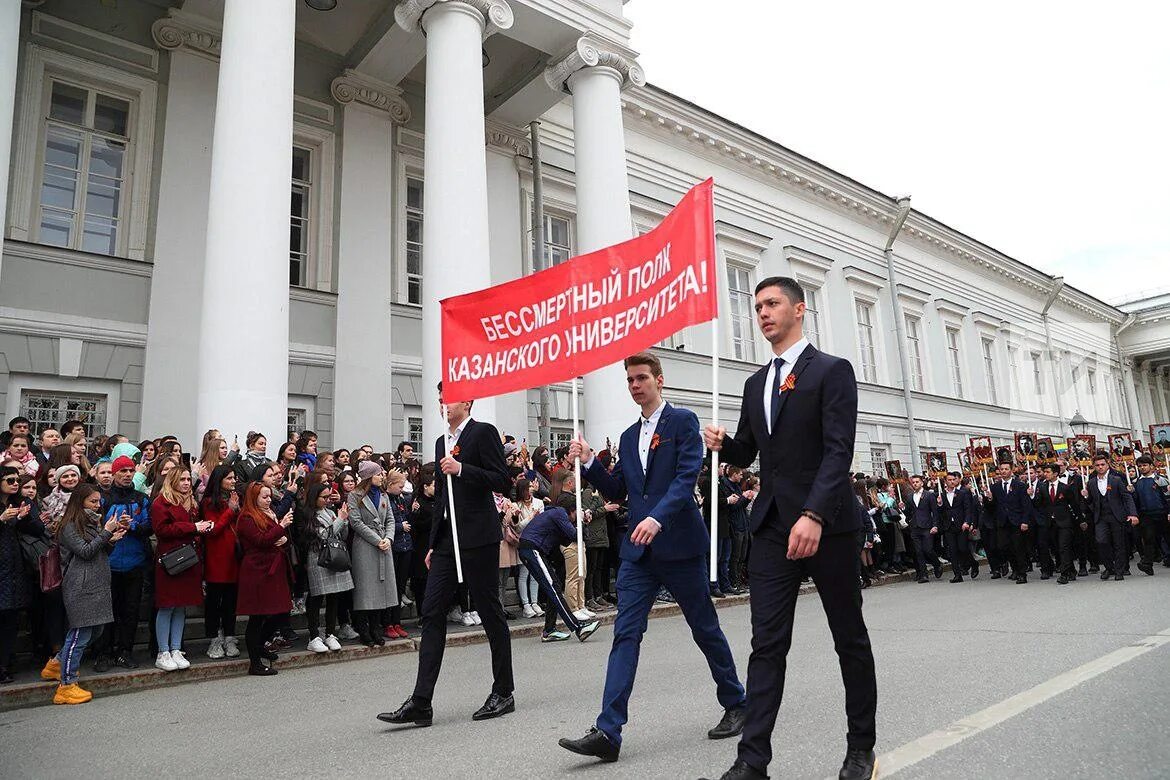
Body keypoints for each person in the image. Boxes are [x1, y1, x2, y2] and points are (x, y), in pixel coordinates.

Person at [702, 276, 876, 780]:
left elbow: (838, 450)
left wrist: (815, 514)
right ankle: (751, 761)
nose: (762, 313)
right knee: (767, 645)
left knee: (850, 638)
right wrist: (724, 447)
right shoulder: (756, 383)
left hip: (828, 525)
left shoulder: (831, 371)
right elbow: (751, 450)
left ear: (799, 310)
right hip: (774, 527)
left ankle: (860, 746)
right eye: (756, 306)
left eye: (772, 303)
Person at [561, 352, 746, 764]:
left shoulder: (682, 422)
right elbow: (618, 491)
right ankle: (608, 731)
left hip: (679, 546)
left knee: (704, 627)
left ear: (659, 380)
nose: (635, 385)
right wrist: (589, 461)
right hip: (638, 554)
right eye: (629, 380)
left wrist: (657, 519)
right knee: (625, 634)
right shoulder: (628, 437)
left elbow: (684, 481)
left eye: (641, 378)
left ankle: (736, 701)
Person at [378, 383, 514, 728]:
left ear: (467, 401)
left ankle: (504, 691)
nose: (442, 402)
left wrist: (462, 469)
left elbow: (502, 480)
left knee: (490, 611)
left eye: (448, 397)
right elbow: (441, 498)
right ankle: (421, 701)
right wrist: (434, 544)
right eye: (440, 397)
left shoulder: (483, 433)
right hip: (445, 544)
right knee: (432, 611)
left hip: (478, 538)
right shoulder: (440, 440)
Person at [51, 484, 127, 704]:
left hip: (97, 584)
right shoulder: (69, 525)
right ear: (80, 502)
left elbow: (100, 550)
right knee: (80, 635)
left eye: (98, 501)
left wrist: (111, 538)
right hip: (80, 586)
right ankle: (66, 685)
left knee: (96, 631)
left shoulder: (92, 521)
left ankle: (57, 663)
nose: (98, 505)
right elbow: (85, 552)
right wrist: (106, 533)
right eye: (93, 501)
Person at [93, 456, 152, 671]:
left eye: (130, 470)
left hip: (135, 563)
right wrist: (113, 527)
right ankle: (103, 653)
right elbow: (94, 527)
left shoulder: (141, 498)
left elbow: (150, 527)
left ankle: (124, 651)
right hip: (108, 563)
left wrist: (132, 525)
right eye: (123, 471)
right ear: (114, 473)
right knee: (106, 611)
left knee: (131, 611)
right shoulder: (103, 498)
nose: (127, 474)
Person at [152, 466, 212, 671]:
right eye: (182, 479)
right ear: (173, 481)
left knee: (181, 606)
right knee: (167, 605)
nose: (187, 483)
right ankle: (163, 651)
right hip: (170, 560)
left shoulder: (192, 502)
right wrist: (194, 528)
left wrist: (200, 527)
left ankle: (176, 648)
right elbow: (162, 530)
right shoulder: (161, 503)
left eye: (188, 479)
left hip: (189, 559)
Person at [517, 506, 600, 642]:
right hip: (532, 549)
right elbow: (574, 535)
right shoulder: (559, 512)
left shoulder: (558, 519)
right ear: (571, 510)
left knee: (553, 587)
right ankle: (578, 627)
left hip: (534, 550)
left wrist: (583, 523)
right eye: (577, 512)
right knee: (553, 587)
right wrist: (580, 521)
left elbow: (577, 538)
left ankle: (549, 630)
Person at [236, 482, 294, 675]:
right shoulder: (246, 517)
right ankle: (255, 662)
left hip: (274, 567)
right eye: (264, 497)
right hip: (257, 570)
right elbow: (261, 540)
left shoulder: (269, 513)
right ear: (254, 498)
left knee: (280, 611)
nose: (269, 500)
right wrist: (281, 526)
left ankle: (260, 646)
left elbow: (274, 538)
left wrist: (282, 537)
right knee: (257, 617)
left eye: (270, 496)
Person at [348, 460, 397, 647]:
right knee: (365, 588)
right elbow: (356, 522)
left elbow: (390, 519)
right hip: (365, 545)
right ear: (369, 476)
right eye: (378, 474)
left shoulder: (383, 494)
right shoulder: (355, 495)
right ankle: (363, 629)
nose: (382, 476)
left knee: (381, 587)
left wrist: (389, 539)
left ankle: (377, 627)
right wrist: (377, 540)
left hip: (384, 543)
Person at [0, 466, 43, 683]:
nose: (15, 484)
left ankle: (5, 664)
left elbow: (38, 530)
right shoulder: (4, 508)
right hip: (3, 569)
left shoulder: (19, 503)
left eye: (17, 480)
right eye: (9, 480)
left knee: (11, 619)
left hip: (16, 569)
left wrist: (24, 517)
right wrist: (2, 519)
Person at [304, 482, 352, 652]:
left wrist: (343, 521)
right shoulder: (310, 515)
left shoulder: (330, 512)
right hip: (319, 558)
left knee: (334, 597)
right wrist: (340, 520)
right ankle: (314, 635)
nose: (326, 500)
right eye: (323, 497)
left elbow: (341, 535)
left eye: (328, 497)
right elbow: (324, 535)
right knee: (317, 597)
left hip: (335, 557)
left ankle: (330, 632)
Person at [200, 465, 241, 659]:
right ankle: (214, 639)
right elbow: (213, 529)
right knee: (214, 602)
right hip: (216, 558)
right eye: (229, 478)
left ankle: (230, 636)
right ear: (219, 480)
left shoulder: (235, 499)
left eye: (234, 478)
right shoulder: (209, 502)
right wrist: (230, 510)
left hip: (234, 556)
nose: (233, 481)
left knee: (231, 602)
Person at [1082, 454, 1137, 579]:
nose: (1100, 467)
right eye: (1097, 465)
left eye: (1103, 464)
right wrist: (1086, 496)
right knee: (1101, 542)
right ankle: (1109, 567)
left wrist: (1132, 514)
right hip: (1100, 518)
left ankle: (1119, 570)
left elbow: (1126, 497)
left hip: (1116, 516)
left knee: (1119, 544)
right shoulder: (1091, 482)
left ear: (1107, 465)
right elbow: (1090, 502)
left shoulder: (1116, 480)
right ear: (1094, 467)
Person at [1032, 463, 1085, 584]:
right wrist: (1032, 495)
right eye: (1044, 472)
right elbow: (1037, 504)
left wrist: (1081, 520)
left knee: (1064, 547)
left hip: (1064, 522)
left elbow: (1074, 505)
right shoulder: (1042, 487)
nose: (1045, 474)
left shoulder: (1065, 488)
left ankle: (1064, 574)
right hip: (1050, 523)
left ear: (1055, 474)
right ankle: (1071, 570)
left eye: (1048, 472)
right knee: (1057, 548)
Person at [984, 461, 1036, 583]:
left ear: (1011, 470)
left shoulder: (1020, 485)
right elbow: (990, 507)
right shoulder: (995, 487)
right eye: (1001, 469)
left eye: (1006, 469)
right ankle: (1015, 569)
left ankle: (1022, 573)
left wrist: (1025, 521)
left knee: (1018, 548)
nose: (1003, 471)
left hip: (1016, 522)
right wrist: (989, 499)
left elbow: (1026, 505)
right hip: (1002, 522)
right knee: (1004, 547)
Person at [512, 478, 545, 618]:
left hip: (536, 541)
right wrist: (531, 516)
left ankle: (534, 602)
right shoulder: (515, 505)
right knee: (524, 573)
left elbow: (542, 523)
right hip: (523, 542)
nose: (531, 489)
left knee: (535, 573)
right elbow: (518, 527)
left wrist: (532, 519)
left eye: (532, 486)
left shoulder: (539, 503)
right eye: (528, 487)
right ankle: (526, 604)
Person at [1129, 456, 1168, 575]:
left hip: (1163, 514)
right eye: (1139, 466)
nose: (1142, 468)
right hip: (1146, 515)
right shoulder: (1136, 483)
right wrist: (1131, 492)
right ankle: (1147, 564)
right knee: (1148, 539)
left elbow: (1167, 498)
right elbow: (1136, 501)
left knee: (1167, 537)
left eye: (1144, 465)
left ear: (1151, 466)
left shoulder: (1160, 480)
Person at [938, 472, 978, 582]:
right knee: (952, 550)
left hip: (961, 525)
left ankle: (973, 564)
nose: (951, 482)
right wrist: (940, 504)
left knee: (962, 548)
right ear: (945, 482)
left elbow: (968, 509)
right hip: (948, 526)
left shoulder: (963, 493)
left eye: (953, 479)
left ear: (956, 481)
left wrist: (967, 522)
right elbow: (940, 512)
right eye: (949, 480)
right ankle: (957, 575)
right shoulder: (941, 495)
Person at [905, 475, 942, 583]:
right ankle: (923, 574)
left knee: (928, 549)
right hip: (915, 527)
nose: (915, 484)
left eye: (917, 482)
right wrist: (903, 508)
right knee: (918, 551)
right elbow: (908, 512)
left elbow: (935, 512)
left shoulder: (929, 495)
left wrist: (935, 525)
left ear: (922, 483)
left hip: (927, 526)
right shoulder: (910, 496)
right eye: (913, 482)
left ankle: (937, 564)